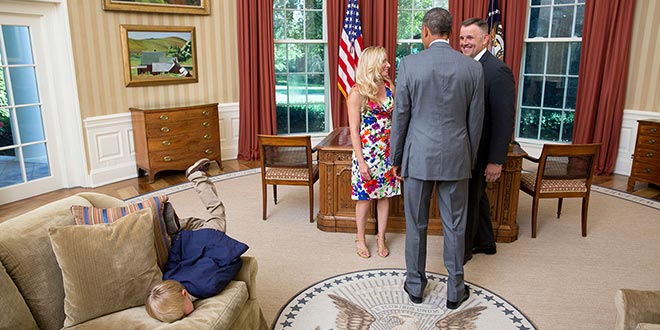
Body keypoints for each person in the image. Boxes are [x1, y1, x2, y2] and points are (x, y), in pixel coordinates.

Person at [390, 8, 484, 309]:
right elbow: (476, 121)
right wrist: (468, 158)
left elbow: (401, 115)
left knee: (416, 223)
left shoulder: (409, 65)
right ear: (449, 32)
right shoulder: (472, 67)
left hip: (417, 157)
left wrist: (396, 157)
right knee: (455, 226)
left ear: (426, 32)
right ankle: (455, 290)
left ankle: (415, 286)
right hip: (457, 157)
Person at [145, 158, 248, 322]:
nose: (186, 316)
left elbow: (233, 265)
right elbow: (173, 259)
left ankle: (196, 176)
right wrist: (179, 239)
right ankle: (179, 226)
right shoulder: (168, 278)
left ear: (185, 294)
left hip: (210, 238)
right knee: (198, 224)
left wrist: (233, 255)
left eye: (184, 314)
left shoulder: (208, 287)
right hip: (187, 241)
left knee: (216, 212)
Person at [459, 18, 516, 263]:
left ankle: (463, 251)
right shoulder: (462, 65)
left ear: (486, 39)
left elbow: (504, 119)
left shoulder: (497, 70)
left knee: (469, 200)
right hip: (465, 147)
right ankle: (485, 242)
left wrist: (496, 160)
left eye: (470, 38)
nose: (464, 43)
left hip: (481, 152)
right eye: (461, 38)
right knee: (477, 197)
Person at [347, 46, 401, 259]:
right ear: (372, 65)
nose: (389, 65)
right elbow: (353, 130)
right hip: (366, 155)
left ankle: (381, 237)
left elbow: (397, 120)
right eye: (384, 61)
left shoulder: (389, 87)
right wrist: (361, 162)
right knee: (364, 198)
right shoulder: (356, 92)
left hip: (387, 153)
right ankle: (360, 238)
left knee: (384, 196)